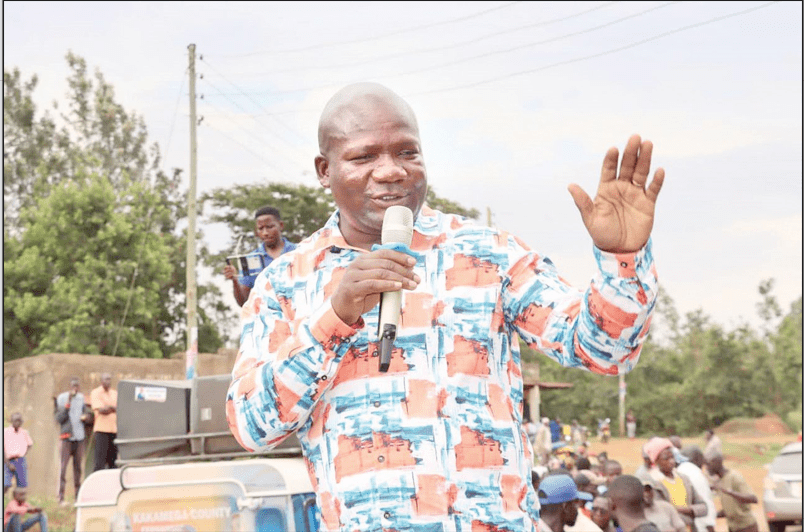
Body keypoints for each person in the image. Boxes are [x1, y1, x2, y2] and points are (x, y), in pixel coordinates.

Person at [226, 82, 665, 531]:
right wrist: (334, 319)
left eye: (407, 153)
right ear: (324, 169)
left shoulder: (486, 254)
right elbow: (251, 426)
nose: (391, 171)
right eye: (364, 157)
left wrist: (622, 261)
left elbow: (604, 349)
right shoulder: (285, 283)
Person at [222, 205, 296, 307]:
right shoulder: (251, 259)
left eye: (269, 227)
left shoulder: (297, 251)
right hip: (269, 319)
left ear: (281, 225)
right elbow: (243, 301)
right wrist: (234, 280)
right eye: (261, 228)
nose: (265, 233)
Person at [641, 437, 707, 531]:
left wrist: (685, 509)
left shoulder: (683, 478)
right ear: (656, 461)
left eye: (672, 457)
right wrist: (688, 512)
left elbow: (703, 507)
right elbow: (659, 512)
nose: (671, 461)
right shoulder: (652, 482)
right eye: (666, 458)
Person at [54, 377, 90, 505]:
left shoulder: (81, 398)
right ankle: (60, 498)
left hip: (79, 438)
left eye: (77, 386)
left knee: (78, 468)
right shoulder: (62, 398)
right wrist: (68, 404)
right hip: (66, 438)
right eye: (73, 386)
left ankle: (77, 497)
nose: (75, 388)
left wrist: (86, 417)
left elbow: (87, 414)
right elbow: (59, 418)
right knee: (63, 468)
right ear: (69, 386)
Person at [707, 453, 759, 532]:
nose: (707, 468)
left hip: (746, 527)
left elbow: (753, 499)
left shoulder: (734, 476)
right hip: (733, 528)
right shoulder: (720, 482)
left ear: (717, 463)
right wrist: (712, 516)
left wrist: (730, 492)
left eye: (709, 464)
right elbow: (731, 510)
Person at [678, 445, 717, 532]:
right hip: (700, 526)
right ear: (696, 459)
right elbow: (705, 504)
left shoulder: (679, 471)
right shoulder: (695, 474)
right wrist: (710, 527)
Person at [89, 372, 118, 471]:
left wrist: (109, 408)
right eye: (106, 379)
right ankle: (96, 485)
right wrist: (112, 408)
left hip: (114, 431)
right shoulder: (95, 392)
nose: (108, 381)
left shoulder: (115, 393)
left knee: (113, 462)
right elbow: (101, 410)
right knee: (100, 462)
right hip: (101, 431)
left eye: (109, 379)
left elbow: (119, 409)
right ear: (101, 381)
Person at [3, 413, 33, 496]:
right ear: (11, 421)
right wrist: (8, 464)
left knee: (22, 486)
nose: (18, 423)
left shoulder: (24, 433)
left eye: (19, 421)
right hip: (7, 461)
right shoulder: (5, 432)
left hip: (20, 460)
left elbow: (29, 444)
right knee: (6, 483)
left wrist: (23, 452)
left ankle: (18, 504)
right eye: (16, 420)